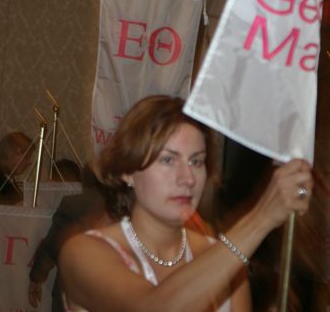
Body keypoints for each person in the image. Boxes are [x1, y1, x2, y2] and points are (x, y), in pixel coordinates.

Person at [59, 95, 313, 311]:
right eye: (168, 160)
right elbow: (153, 307)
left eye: (196, 161)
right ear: (128, 171)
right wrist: (261, 218)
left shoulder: (222, 259)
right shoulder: (83, 253)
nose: (188, 178)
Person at [28, 164, 116, 311]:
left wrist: (36, 278)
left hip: (71, 291)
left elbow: (52, 246)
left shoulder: (72, 204)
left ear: (85, 180)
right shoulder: (130, 207)